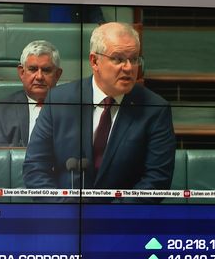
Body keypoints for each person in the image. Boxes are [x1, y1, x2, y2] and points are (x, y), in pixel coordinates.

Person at [23, 22, 176, 203]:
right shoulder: (59, 100)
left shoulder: (155, 109)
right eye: (118, 59)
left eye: (134, 59)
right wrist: (65, 208)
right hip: (65, 218)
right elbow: (35, 167)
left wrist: (107, 217)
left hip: (123, 222)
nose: (128, 67)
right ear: (95, 61)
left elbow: (157, 180)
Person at [0, 40, 63, 147]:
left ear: (57, 75)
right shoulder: (0, 111)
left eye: (46, 70)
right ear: (22, 72)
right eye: (33, 69)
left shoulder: (75, 109)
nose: (39, 77)